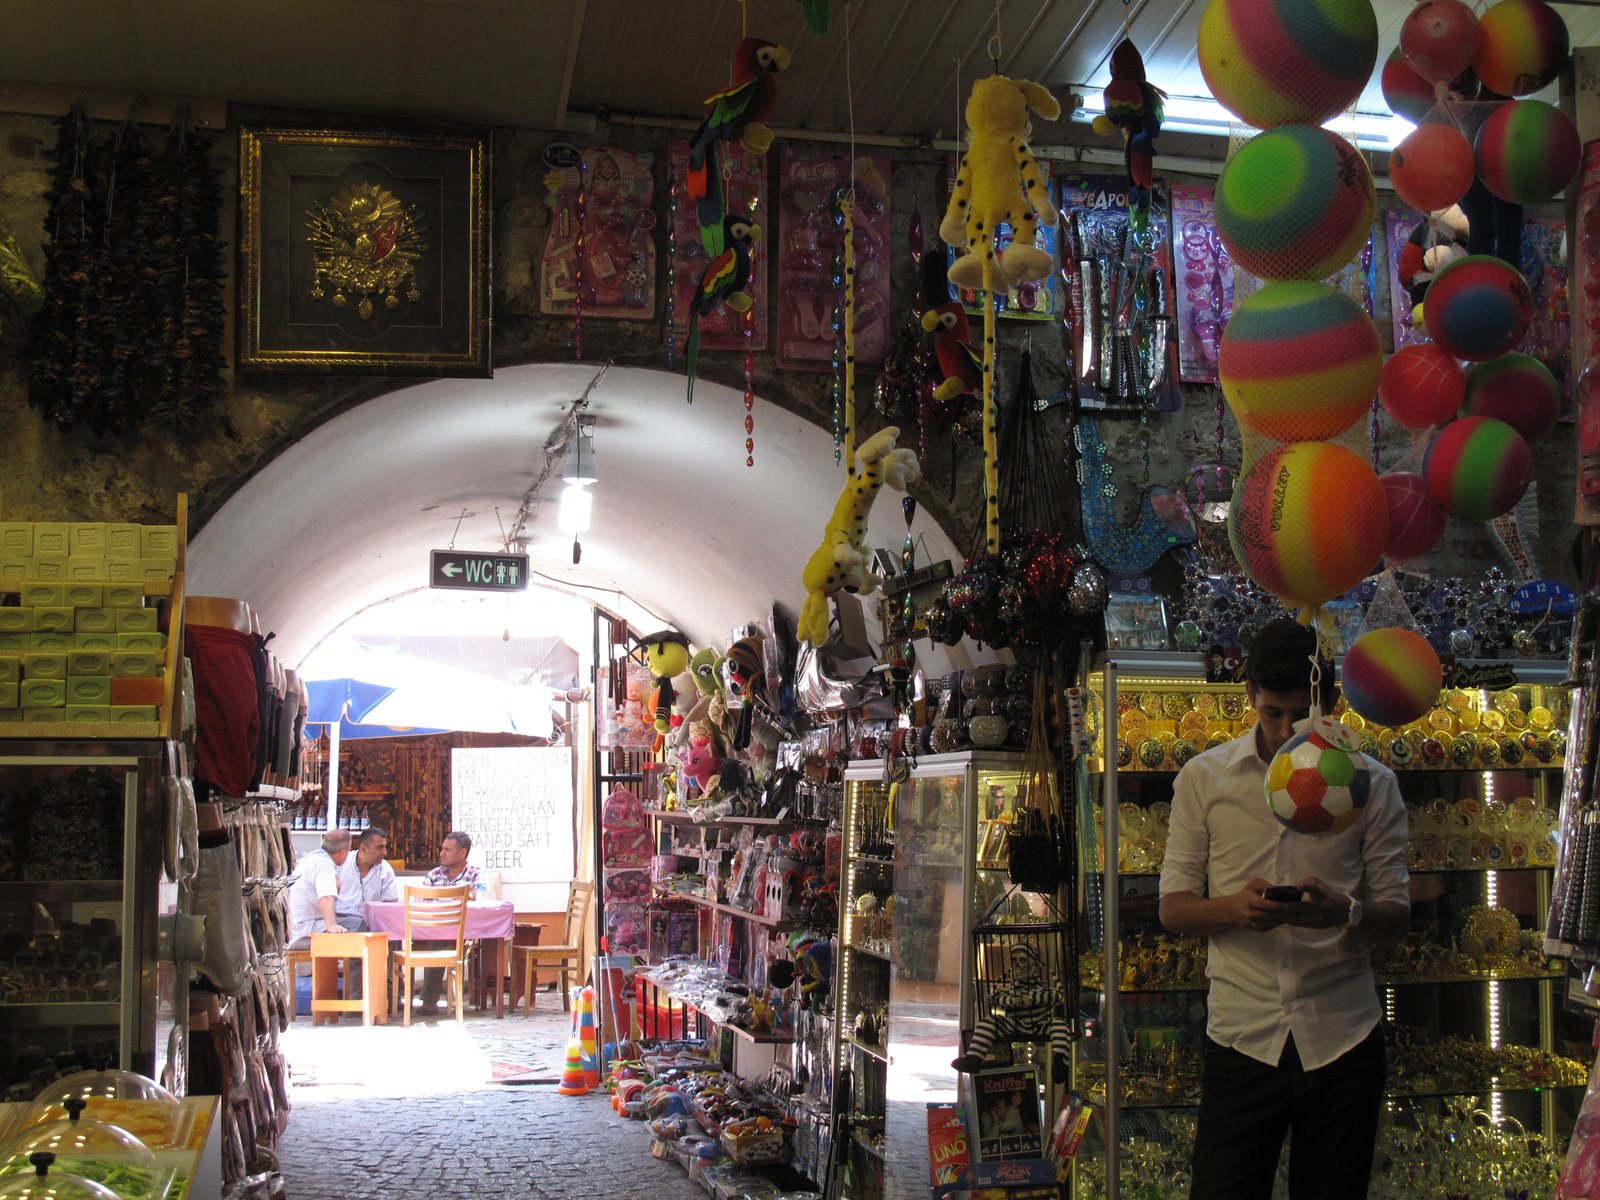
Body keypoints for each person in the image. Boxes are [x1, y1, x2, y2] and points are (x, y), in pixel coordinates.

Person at [1158, 618, 1411, 1200]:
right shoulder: (1205, 779)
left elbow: (1396, 917)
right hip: (1242, 1035)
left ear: (1330, 704)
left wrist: (1343, 912)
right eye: (1271, 712)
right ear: (1250, 697)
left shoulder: (1375, 785)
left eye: (1301, 715)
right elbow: (1173, 908)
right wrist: (1233, 910)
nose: (1284, 730)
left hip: (1343, 1036)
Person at [416, 830, 481, 1011]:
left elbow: (478, 897)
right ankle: (421, 999)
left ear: (462, 853)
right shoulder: (434, 875)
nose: (441, 853)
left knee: (439, 940)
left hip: (463, 934)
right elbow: (420, 902)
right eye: (442, 849)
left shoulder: (475, 875)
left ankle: (429, 1001)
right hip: (431, 930)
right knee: (436, 938)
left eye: (447, 850)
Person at [287, 829, 360, 947]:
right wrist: (331, 925)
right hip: (304, 927)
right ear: (343, 852)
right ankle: (352, 965)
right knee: (357, 924)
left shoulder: (312, 857)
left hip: (296, 923)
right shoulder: (325, 864)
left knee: (346, 920)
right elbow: (326, 897)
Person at [337, 826, 398, 926]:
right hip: (338, 921)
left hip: (371, 923)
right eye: (379, 847)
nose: (385, 852)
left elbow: (390, 906)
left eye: (384, 847)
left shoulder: (385, 870)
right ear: (363, 849)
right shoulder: (341, 864)